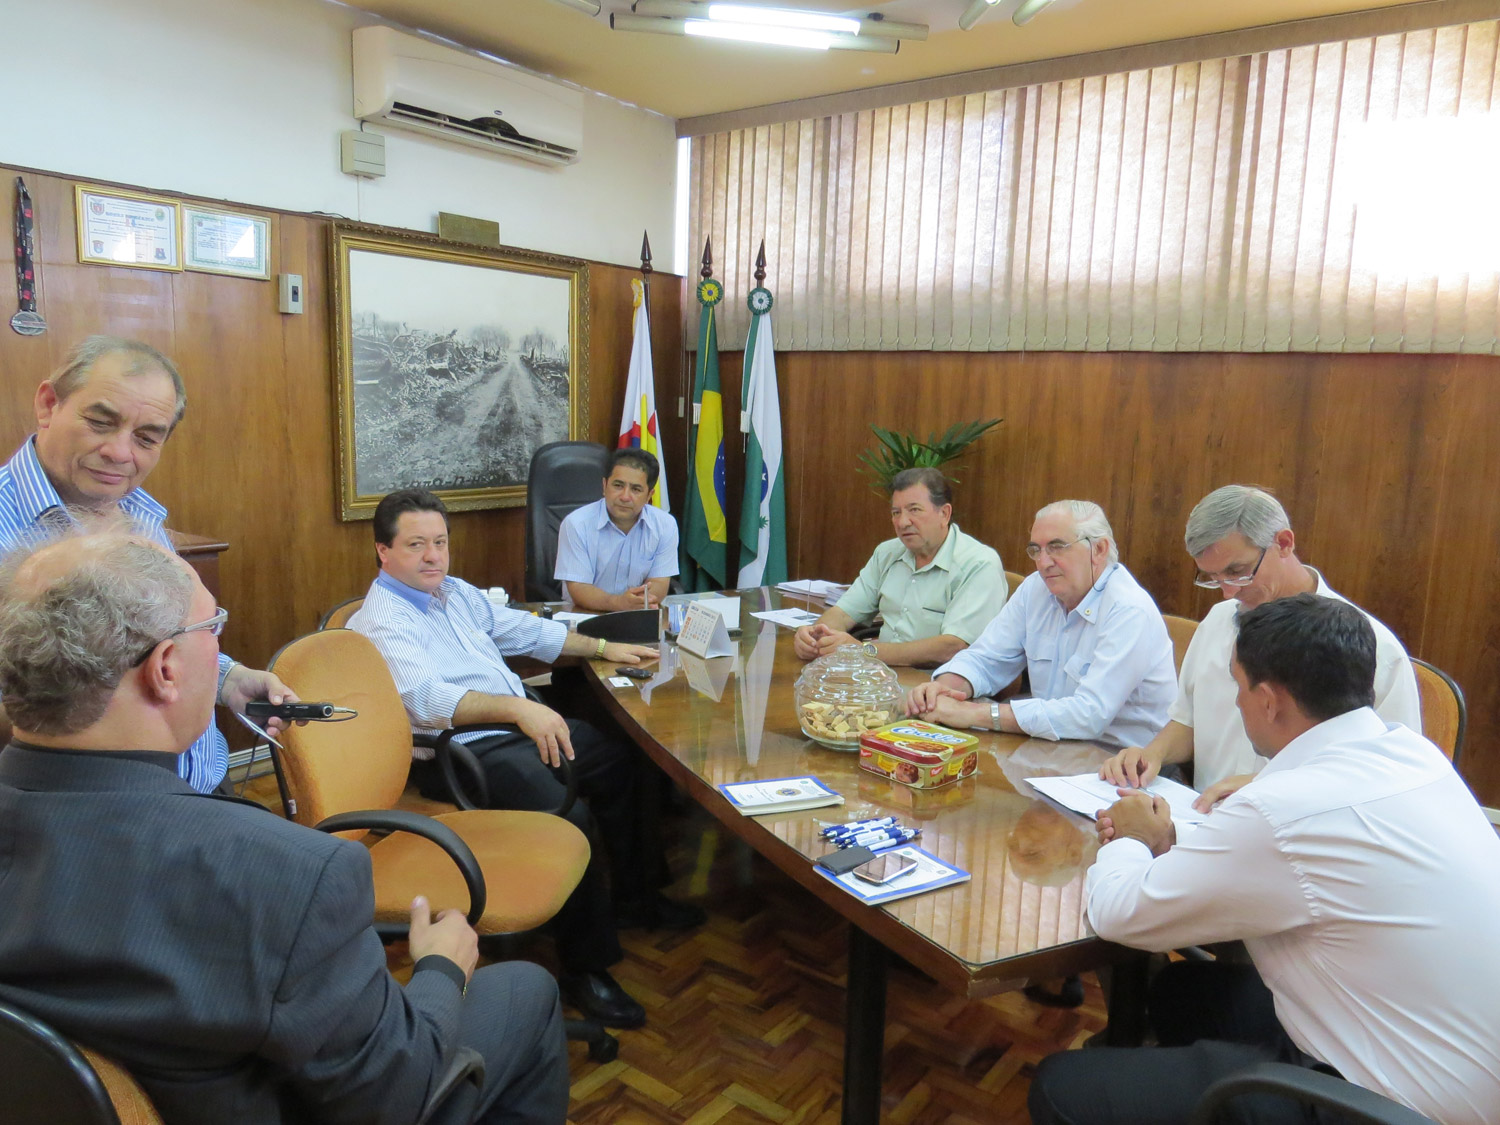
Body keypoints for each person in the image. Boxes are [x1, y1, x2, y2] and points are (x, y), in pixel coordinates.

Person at [0, 529, 568, 1125]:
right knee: (526, 990)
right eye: (212, 630)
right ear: (167, 669)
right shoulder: (286, 876)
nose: (220, 652)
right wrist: (439, 969)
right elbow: (397, 1096)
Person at [1030, 594, 1500, 1125]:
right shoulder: (1412, 756)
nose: (1235, 703)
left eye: (1238, 686)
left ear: (1271, 700)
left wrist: (1129, 839)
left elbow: (1119, 914)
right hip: (1450, 1056)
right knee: (1180, 992)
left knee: (1059, 1086)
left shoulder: (1283, 808)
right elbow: (1295, 857)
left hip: (1388, 1105)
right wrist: (1170, 837)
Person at [349, 488, 703, 1031]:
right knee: (564, 815)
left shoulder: (453, 593)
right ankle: (586, 970)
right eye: (415, 544)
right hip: (460, 751)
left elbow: (529, 630)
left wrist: (605, 649)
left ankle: (637, 896)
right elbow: (426, 702)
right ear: (383, 551)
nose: (432, 556)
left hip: (516, 726)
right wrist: (517, 708)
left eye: (440, 542)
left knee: (623, 763)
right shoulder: (384, 620)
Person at [0, 335, 295, 791]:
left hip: (199, 788)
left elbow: (156, 641)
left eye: (145, 438)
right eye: (100, 422)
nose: (121, 453)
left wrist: (228, 680)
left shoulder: (142, 514)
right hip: (81, 816)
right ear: (48, 404)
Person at [1100, 484, 1421, 808]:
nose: (1227, 591)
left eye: (1238, 572)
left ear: (1283, 543)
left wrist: (1270, 785)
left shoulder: (1372, 647)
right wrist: (1152, 754)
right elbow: (1188, 720)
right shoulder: (1219, 621)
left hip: (1303, 826)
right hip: (1202, 817)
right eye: (1212, 577)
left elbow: (1391, 774)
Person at [906, 501, 1175, 749]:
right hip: (1051, 748)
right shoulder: (1036, 588)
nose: (1043, 562)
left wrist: (973, 713)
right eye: (1036, 549)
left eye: (1057, 547)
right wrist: (944, 690)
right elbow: (987, 658)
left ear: (1099, 549)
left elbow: (1089, 715)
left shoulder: (1128, 609)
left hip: (1122, 764)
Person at [794, 467, 1006, 668]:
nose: (903, 522)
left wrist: (865, 651)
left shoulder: (978, 564)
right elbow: (843, 613)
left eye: (914, 510)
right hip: (880, 675)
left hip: (939, 685)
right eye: (896, 512)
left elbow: (953, 647)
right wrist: (815, 636)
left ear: (944, 514)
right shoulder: (887, 553)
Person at [554, 448, 678, 612]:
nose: (625, 497)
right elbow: (578, 588)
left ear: (649, 495)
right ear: (605, 485)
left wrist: (636, 603)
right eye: (618, 486)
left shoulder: (665, 525)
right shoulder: (576, 524)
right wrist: (618, 604)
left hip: (637, 616)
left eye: (636, 489)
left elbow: (659, 582)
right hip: (585, 615)